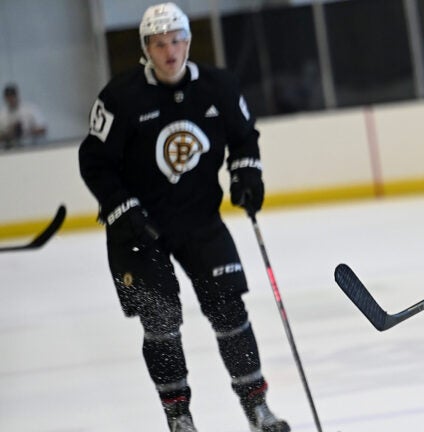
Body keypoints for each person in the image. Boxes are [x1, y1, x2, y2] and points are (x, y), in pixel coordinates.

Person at [78, 3, 289, 432]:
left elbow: (244, 137)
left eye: (176, 41)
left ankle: (257, 408)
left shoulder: (219, 87)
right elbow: (94, 162)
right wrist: (123, 210)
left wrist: (247, 174)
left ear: (188, 41)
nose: (169, 51)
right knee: (161, 321)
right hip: (140, 232)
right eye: (159, 44)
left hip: (199, 221)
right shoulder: (120, 98)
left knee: (229, 309)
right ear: (146, 49)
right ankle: (179, 417)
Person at [0, 83, 47, 149]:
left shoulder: (30, 108)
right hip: (10, 150)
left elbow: (43, 129)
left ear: (17, 96)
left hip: (31, 147)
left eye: (12, 96)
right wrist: (9, 134)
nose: (11, 99)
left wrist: (25, 131)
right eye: (8, 97)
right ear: (5, 98)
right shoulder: (2, 114)